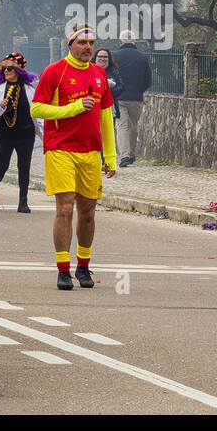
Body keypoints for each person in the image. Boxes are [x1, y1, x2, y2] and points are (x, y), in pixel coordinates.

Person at [31, 26, 116, 291]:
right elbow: (36, 107)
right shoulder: (55, 71)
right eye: (82, 42)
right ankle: (63, 269)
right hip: (60, 149)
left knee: (88, 212)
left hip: (90, 152)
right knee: (65, 209)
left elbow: (105, 117)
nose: (88, 47)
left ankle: (83, 265)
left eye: (91, 42)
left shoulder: (100, 74)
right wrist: (74, 108)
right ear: (71, 44)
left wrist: (110, 156)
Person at [0, 53, 41, 212]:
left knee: (24, 166)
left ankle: (23, 201)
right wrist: (0, 107)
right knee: (1, 165)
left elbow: (38, 113)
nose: (6, 71)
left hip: (26, 134)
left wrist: (45, 134)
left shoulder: (30, 90)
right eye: (4, 69)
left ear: (19, 71)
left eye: (10, 68)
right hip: (5, 134)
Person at [113, 30, 153, 167]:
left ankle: (125, 155)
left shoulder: (115, 56)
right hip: (136, 97)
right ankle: (131, 154)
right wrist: (140, 90)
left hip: (120, 97)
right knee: (133, 126)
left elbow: (111, 77)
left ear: (120, 40)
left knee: (122, 125)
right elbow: (148, 80)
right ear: (134, 41)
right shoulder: (142, 57)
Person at [92, 45, 125, 159]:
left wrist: (107, 94)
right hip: (92, 108)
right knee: (95, 134)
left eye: (105, 57)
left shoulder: (114, 71)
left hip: (110, 109)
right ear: (95, 58)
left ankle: (105, 159)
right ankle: (96, 158)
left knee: (107, 134)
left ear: (109, 59)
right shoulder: (88, 70)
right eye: (100, 56)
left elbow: (121, 87)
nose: (103, 59)